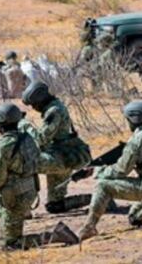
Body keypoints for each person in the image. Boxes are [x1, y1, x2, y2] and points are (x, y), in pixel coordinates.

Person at [0, 103, 78, 249]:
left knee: (10, 245)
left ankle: (56, 235)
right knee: (6, 236)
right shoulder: (28, 139)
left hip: (13, 198)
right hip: (29, 192)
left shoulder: (3, 146)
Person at [78, 100, 142, 239]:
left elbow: (121, 170)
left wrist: (98, 171)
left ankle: (89, 228)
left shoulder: (137, 140)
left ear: (133, 119)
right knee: (134, 217)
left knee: (102, 186)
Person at [20, 81, 91, 213]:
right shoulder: (55, 106)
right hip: (62, 155)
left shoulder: (54, 111)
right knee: (54, 206)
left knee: (23, 164)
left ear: (40, 100)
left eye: (34, 104)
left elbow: (41, 139)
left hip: (63, 158)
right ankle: (92, 200)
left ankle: (22, 206)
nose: (33, 108)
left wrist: (24, 124)